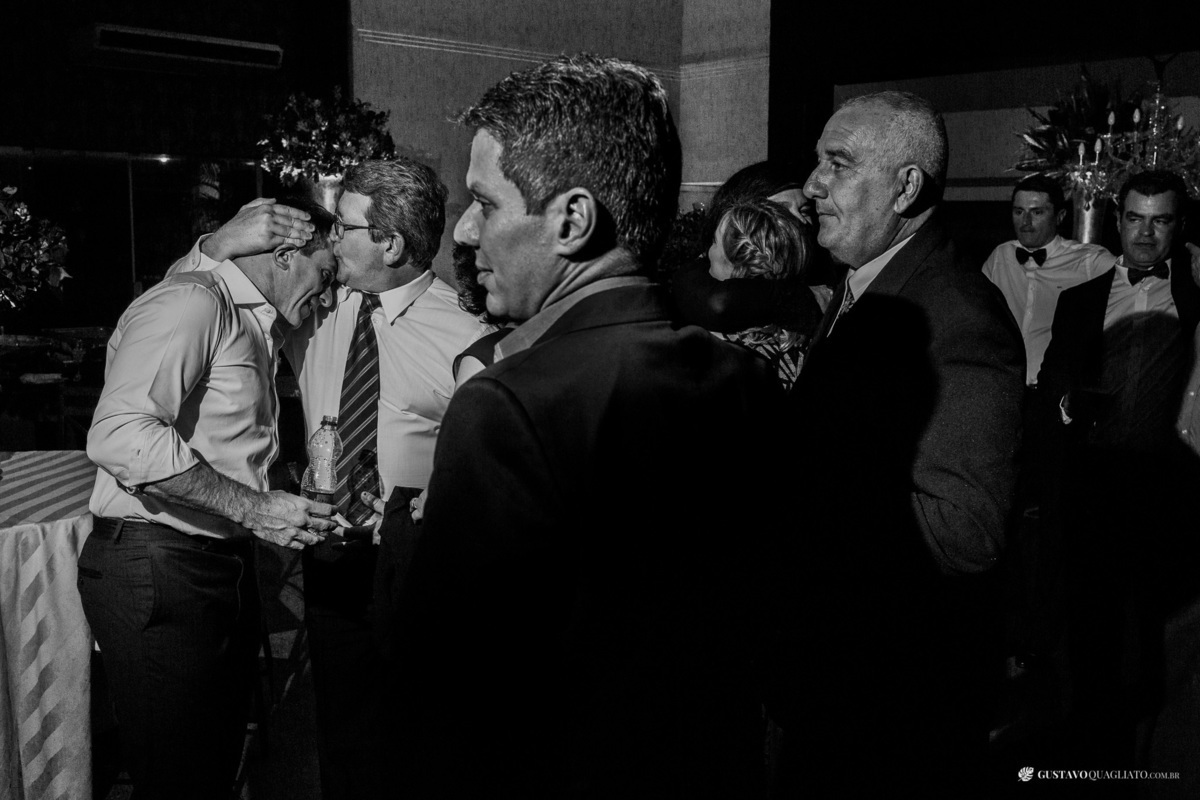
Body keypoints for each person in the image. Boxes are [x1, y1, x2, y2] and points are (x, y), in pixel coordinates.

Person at [381, 53, 786, 798]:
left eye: (486, 203)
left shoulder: (510, 405)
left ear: (571, 220)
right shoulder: (744, 380)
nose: (462, 232)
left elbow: (449, 694)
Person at [170, 157, 492, 800]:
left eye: (344, 226)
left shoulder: (467, 331)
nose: (329, 238)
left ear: (390, 243)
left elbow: (484, 457)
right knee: (342, 729)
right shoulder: (313, 303)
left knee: (426, 730)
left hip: (419, 560)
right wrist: (216, 245)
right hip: (331, 551)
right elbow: (185, 302)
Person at [779, 90, 1026, 793]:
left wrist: (784, 481)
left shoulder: (957, 314)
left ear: (906, 186)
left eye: (838, 164)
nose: (812, 185)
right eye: (818, 162)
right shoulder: (866, 285)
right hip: (839, 679)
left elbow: (964, 532)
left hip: (894, 706)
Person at [77, 196, 338, 800]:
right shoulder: (195, 301)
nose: (326, 298)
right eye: (325, 276)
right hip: (159, 563)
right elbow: (121, 436)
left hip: (213, 562)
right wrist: (255, 507)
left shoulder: (250, 316)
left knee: (210, 767)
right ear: (285, 253)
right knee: (179, 780)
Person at [1037, 169, 1200, 767]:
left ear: (1178, 227)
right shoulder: (1080, 300)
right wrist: (1067, 402)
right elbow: (1052, 379)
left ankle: (1154, 756)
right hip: (1093, 483)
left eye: (1160, 221)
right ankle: (1092, 753)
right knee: (1090, 627)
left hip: (1170, 487)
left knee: (1161, 631)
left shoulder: (1195, 297)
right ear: (1118, 221)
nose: (1145, 234)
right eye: (1135, 218)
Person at [982, 174, 1117, 387]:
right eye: (1019, 212)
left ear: (1060, 216)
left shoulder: (1089, 260)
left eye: (1037, 212)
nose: (1026, 222)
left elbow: (1134, 281)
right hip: (1003, 384)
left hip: (1055, 389)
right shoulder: (1000, 256)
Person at [705, 196, 814, 389]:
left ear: (740, 265)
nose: (706, 253)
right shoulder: (814, 338)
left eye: (714, 242)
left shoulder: (715, 350)